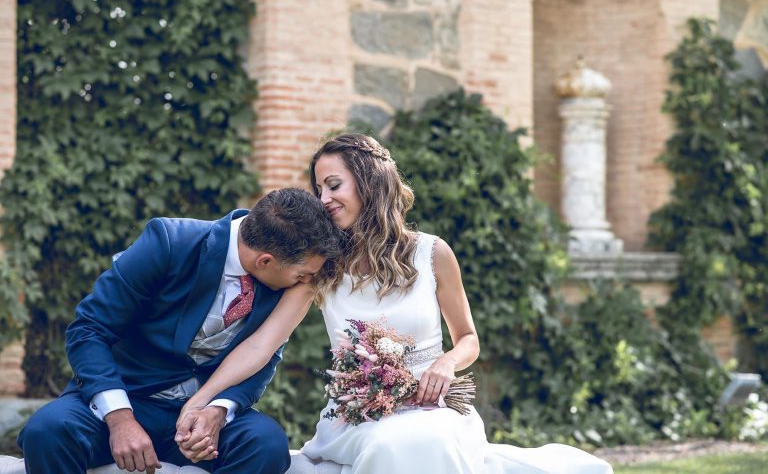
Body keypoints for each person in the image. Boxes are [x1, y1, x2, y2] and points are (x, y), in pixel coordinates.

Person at [178, 134, 614, 474]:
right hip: (358, 416)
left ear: (369, 181)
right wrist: (202, 402)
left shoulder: (433, 253)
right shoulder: (321, 268)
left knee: (428, 441)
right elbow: (260, 346)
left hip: (432, 408)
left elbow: (467, 338)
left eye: (334, 185)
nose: (324, 198)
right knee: (390, 444)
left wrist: (447, 364)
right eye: (319, 188)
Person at [17, 188, 342, 474]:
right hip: (129, 394)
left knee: (266, 444)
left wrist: (218, 410)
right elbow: (89, 329)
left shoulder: (282, 286)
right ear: (266, 261)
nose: (305, 284)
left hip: (200, 422)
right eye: (302, 275)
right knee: (47, 431)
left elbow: (263, 357)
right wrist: (119, 419)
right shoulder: (169, 242)